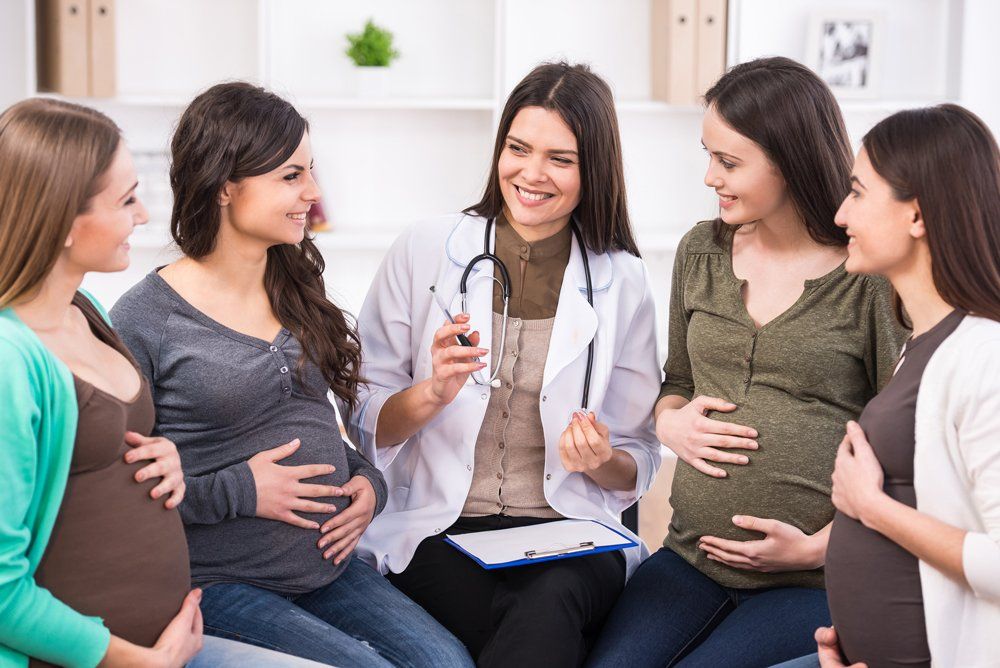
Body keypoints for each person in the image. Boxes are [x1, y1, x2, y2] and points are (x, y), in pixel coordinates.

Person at [110, 83, 472, 668]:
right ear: (226, 184)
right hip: (221, 580)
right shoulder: (145, 319)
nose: (313, 193)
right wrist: (241, 490)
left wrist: (367, 486)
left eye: (312, 172)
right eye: (291, 176)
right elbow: (121, 494)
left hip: (326, 568)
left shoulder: (295, 286)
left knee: (447, 663)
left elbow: (318, 423)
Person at [586, 57, 907, 668]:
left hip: (812, 579)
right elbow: (676, 380)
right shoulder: (701, 251)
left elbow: (900, 449)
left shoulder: (864, 275)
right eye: (709, 155)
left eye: (729, 162)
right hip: (689, 558)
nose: (710, 177)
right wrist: (669, 421)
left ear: (789, 160)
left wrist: (818, 550)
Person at [347, 61, 662, 667]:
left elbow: (638, 463)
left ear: (593, 169)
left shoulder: (623, 280)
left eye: (560, 159)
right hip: (441, 527)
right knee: (530, 627)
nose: (531, 173)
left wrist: (603, 460)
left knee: (549, 602)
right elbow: (363, 420)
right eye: (518, 148)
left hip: (569, 530)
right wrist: (432, 393)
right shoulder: (425, 250)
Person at [0, 98, 319, 667]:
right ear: (62, 220)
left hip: (172, 634)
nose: (145, 216)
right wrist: (137, 660)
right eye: (126, 200)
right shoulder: (10, 360)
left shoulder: (86, 312)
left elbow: (111, 451)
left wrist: (167, 455)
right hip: (112, 655)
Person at [776, 104, 1000, 668]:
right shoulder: (923, 343)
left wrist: (870, 508)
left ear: (917, 216)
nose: (840, 212)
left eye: (857, 193)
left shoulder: (985, 357)